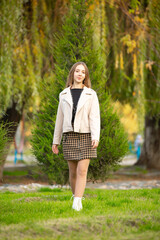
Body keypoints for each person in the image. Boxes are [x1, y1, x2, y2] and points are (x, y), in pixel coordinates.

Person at [52, 62, 100, 211]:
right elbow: (59, 118)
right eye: (77, 71)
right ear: (72, 73)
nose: (80, 74)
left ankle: (77, 202)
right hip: (69, 137)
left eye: (83, 72)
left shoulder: (91, 94)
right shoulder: (63, 94)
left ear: (85, 76)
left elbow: (95, 117)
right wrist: (56, 140)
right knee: (72, 172)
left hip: (86, 136)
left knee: (82, 171)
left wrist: (95, 136)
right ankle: (76, 197)